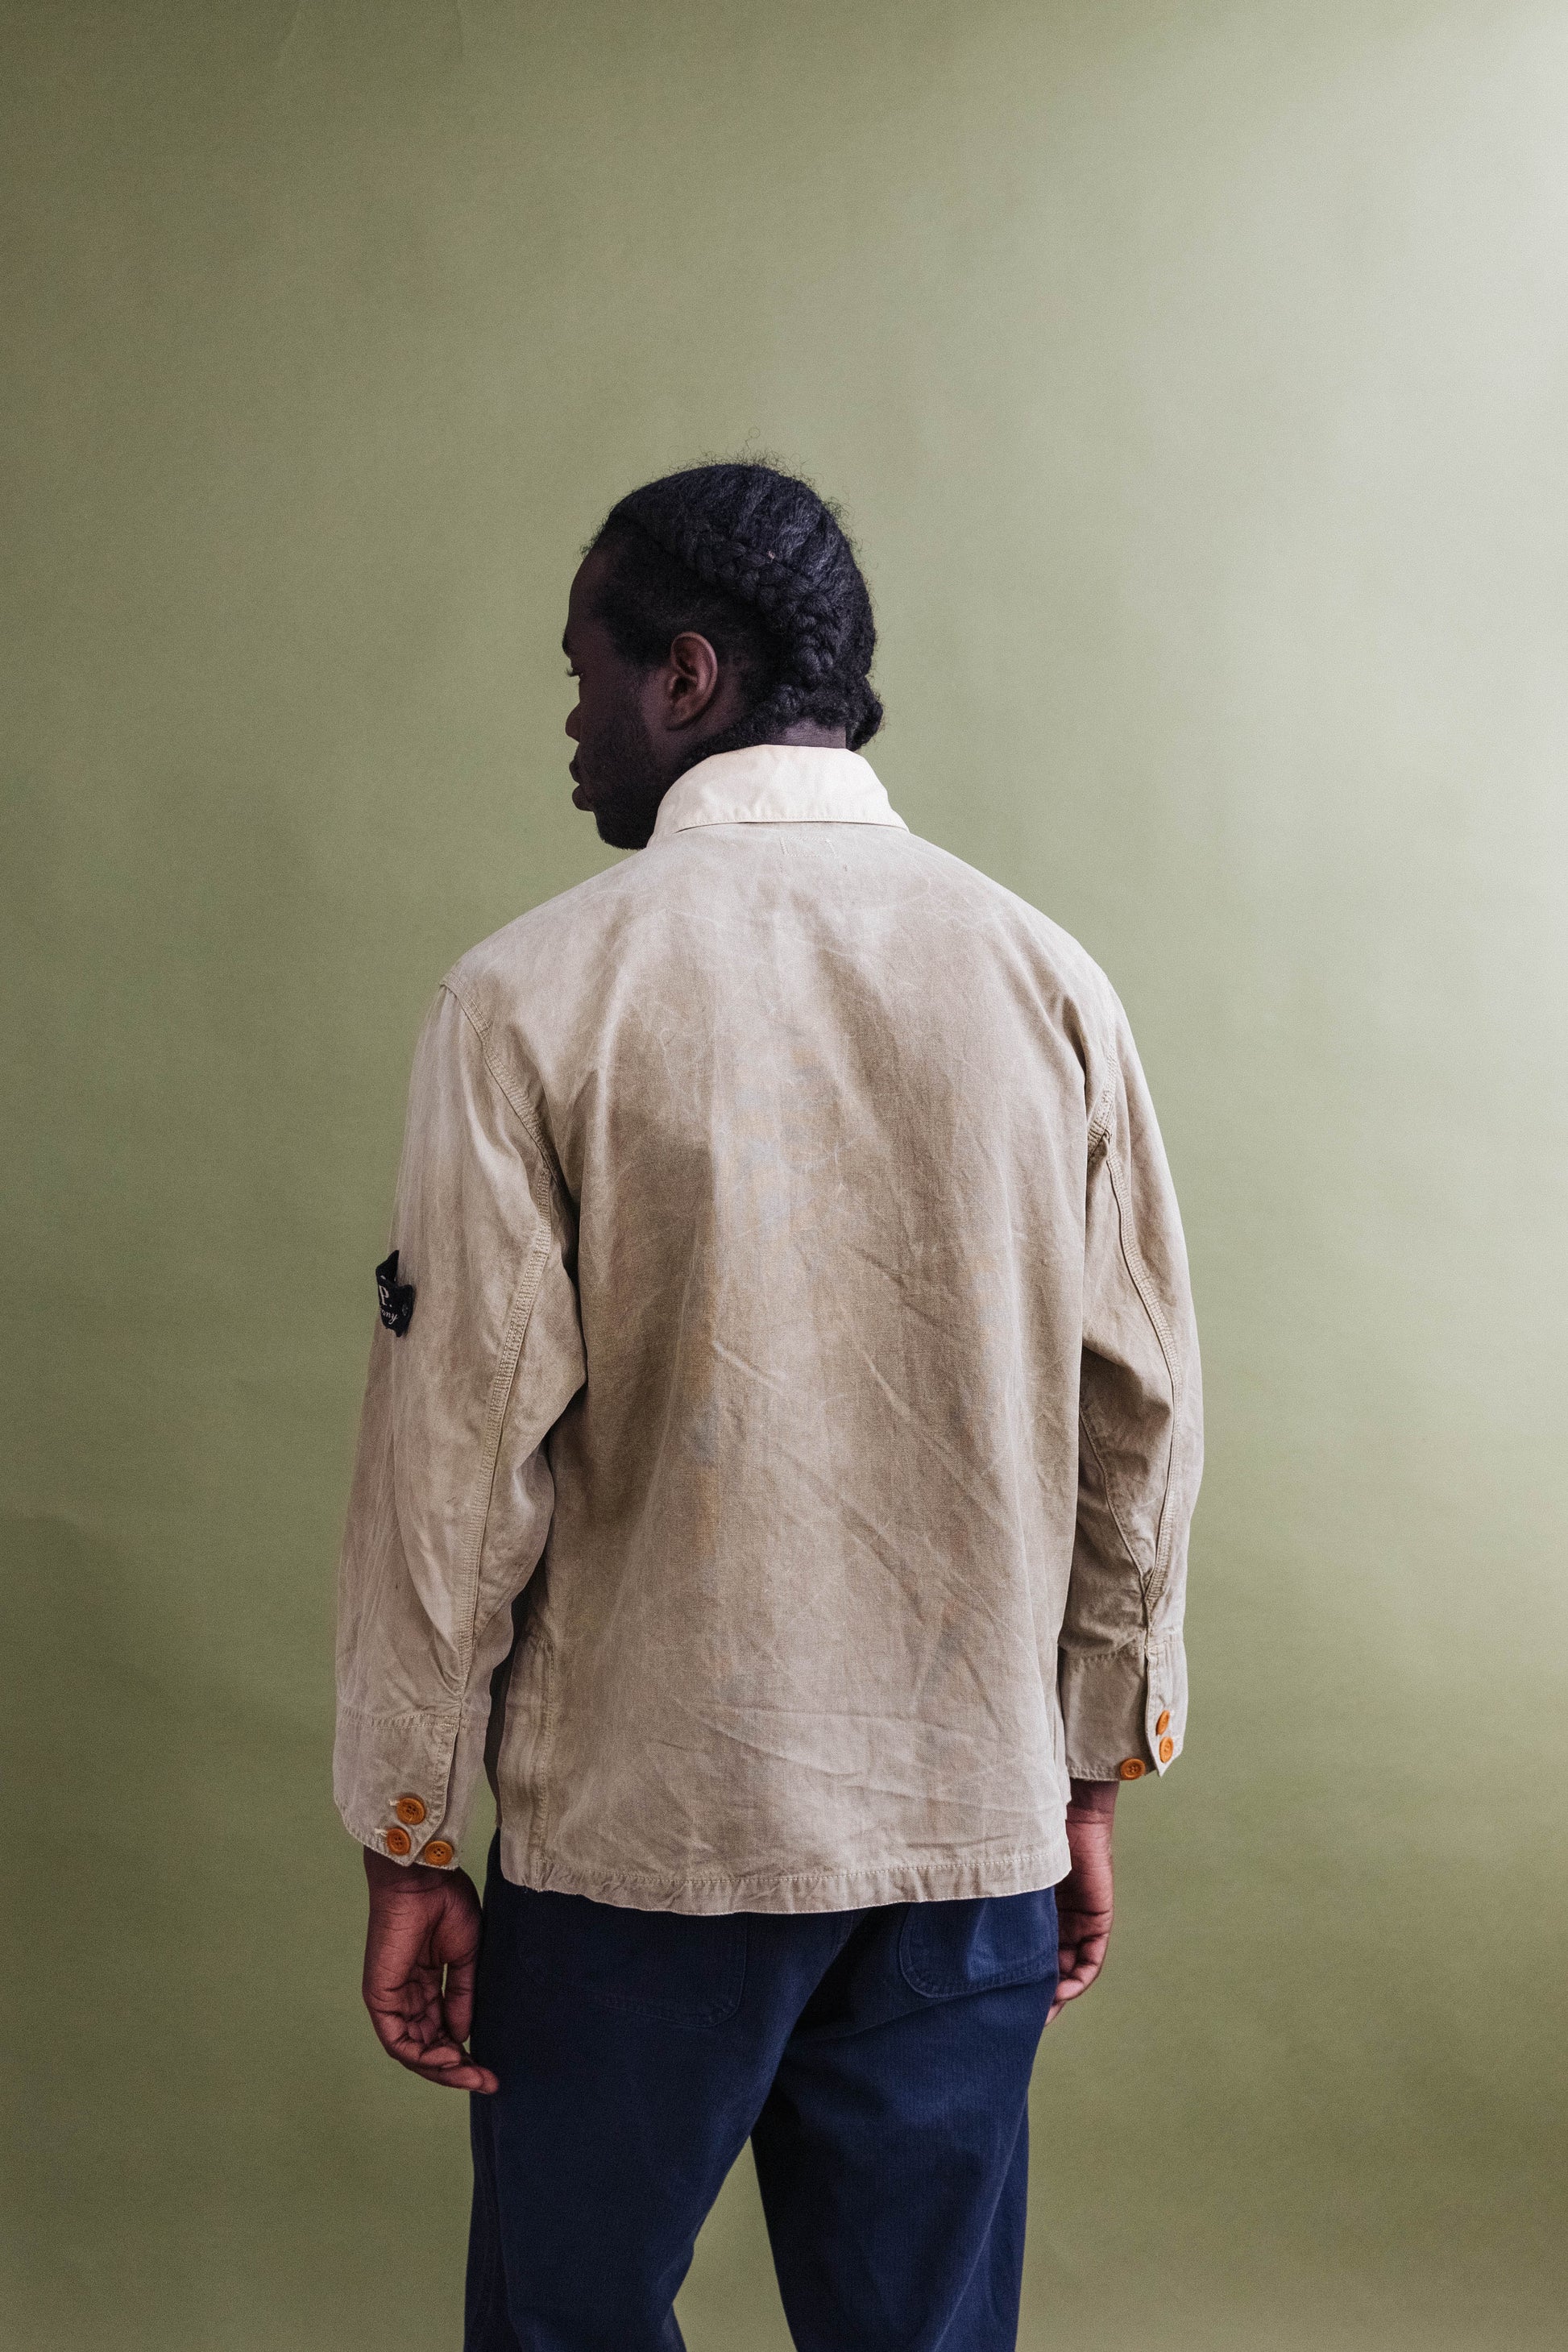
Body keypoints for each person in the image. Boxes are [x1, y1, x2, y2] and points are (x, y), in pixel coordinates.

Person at [334, 462, 1202, 2352]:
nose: (571, 720)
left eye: (585, 671)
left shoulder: (527, 998)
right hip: (962, 1832)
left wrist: (410, 1825)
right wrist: (1086, 1764)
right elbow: (1139, 1416)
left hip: (639, 1843)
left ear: (687, 676)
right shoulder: (1046, 981)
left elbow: (456, 1461)